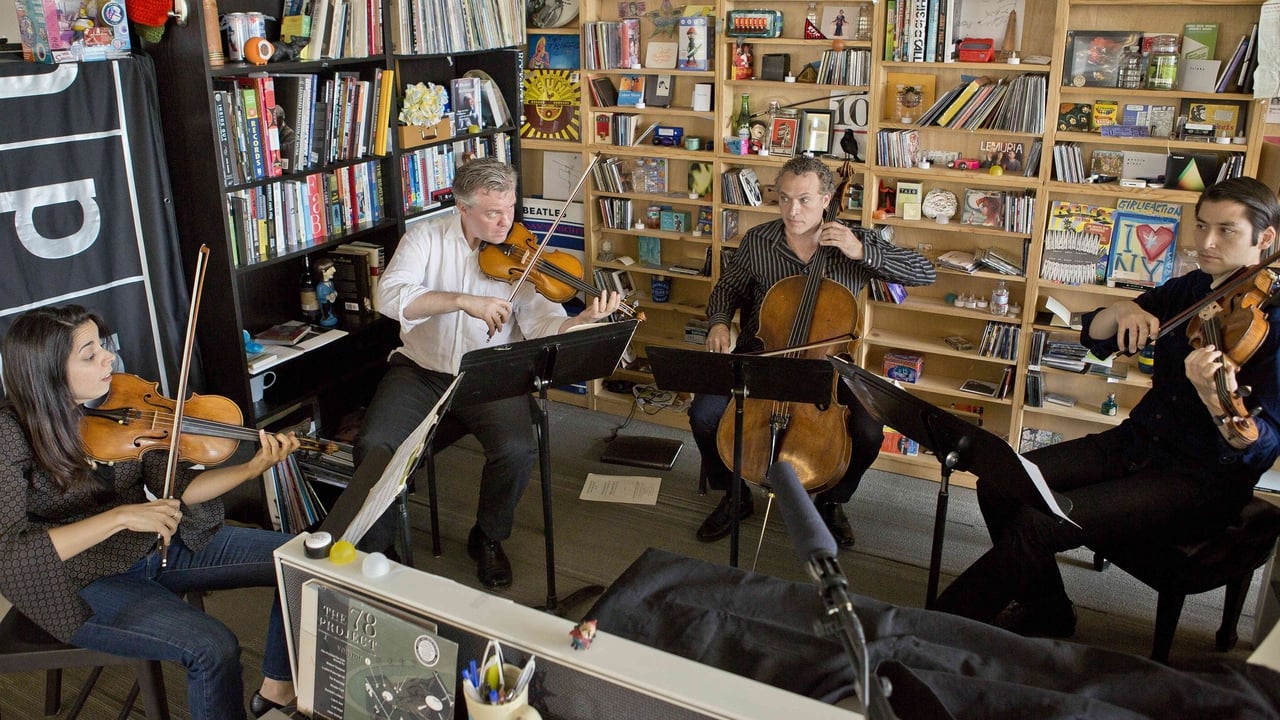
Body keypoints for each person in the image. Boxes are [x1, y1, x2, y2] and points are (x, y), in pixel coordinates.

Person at [934, 176, 1280, 638]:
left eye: (1226, 230)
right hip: (1134, 444)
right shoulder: (1190, 289)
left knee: (1041, 524)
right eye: (1201, 227)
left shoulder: (1273, 325)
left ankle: (934, 628)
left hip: (1199, 481)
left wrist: (1215, 397)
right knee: (1000, 482)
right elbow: (1094, 338)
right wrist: (1120, 310)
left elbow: (1262, 447)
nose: (1207, 242)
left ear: (1267, 239)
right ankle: (1050, 610)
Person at [0, 304, 301, 720]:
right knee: (213, 648)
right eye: (89, 355)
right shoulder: (10, 435)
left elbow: (179, 488)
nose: (109, 358)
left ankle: (277, 691)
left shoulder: (120, 404)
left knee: (299, 562)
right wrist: (120, 516)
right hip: (81, 580)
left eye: (102, 346)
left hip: (151, 546)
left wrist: (251, 468)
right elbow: (11, 553)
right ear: (45, 372)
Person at [350, 158, 621, 588]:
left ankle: (489, 537)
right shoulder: (424, 239)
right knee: (374, 444)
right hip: (422, 369)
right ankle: (381, 548)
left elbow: (542, 324)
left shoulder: (524, 253)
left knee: (517, 446)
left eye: (510, 208)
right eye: (492, 212)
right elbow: (390, 296)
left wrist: (580, 320)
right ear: (462, 207)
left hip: (490, 372)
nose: (505, 222)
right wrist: (461, 299)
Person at [688, 156, 936, 546]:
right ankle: (734, 495)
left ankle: (833, 501)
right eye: (784, 199)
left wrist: (862, 252)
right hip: (763, 355)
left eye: (804, 200)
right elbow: (727, 289)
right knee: (703, 414)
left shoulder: (855, 242)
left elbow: (925, 273)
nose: (792, 210)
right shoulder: (759, 241)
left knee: (869, 432)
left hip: (828, 365)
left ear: (825, 199)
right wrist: (720, 321)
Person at [314, 257, 339, 327]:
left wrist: (335, 293)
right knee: (326, 311)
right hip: (325, 303)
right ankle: (326, 317)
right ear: (323, 271)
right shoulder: (320, 286)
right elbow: (320, 297)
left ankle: (331, 315)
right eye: (331, 269)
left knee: (332, 309)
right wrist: (327, 297)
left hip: (331, 302)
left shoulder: (331, 283)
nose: (334, 270)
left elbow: (333, 290)